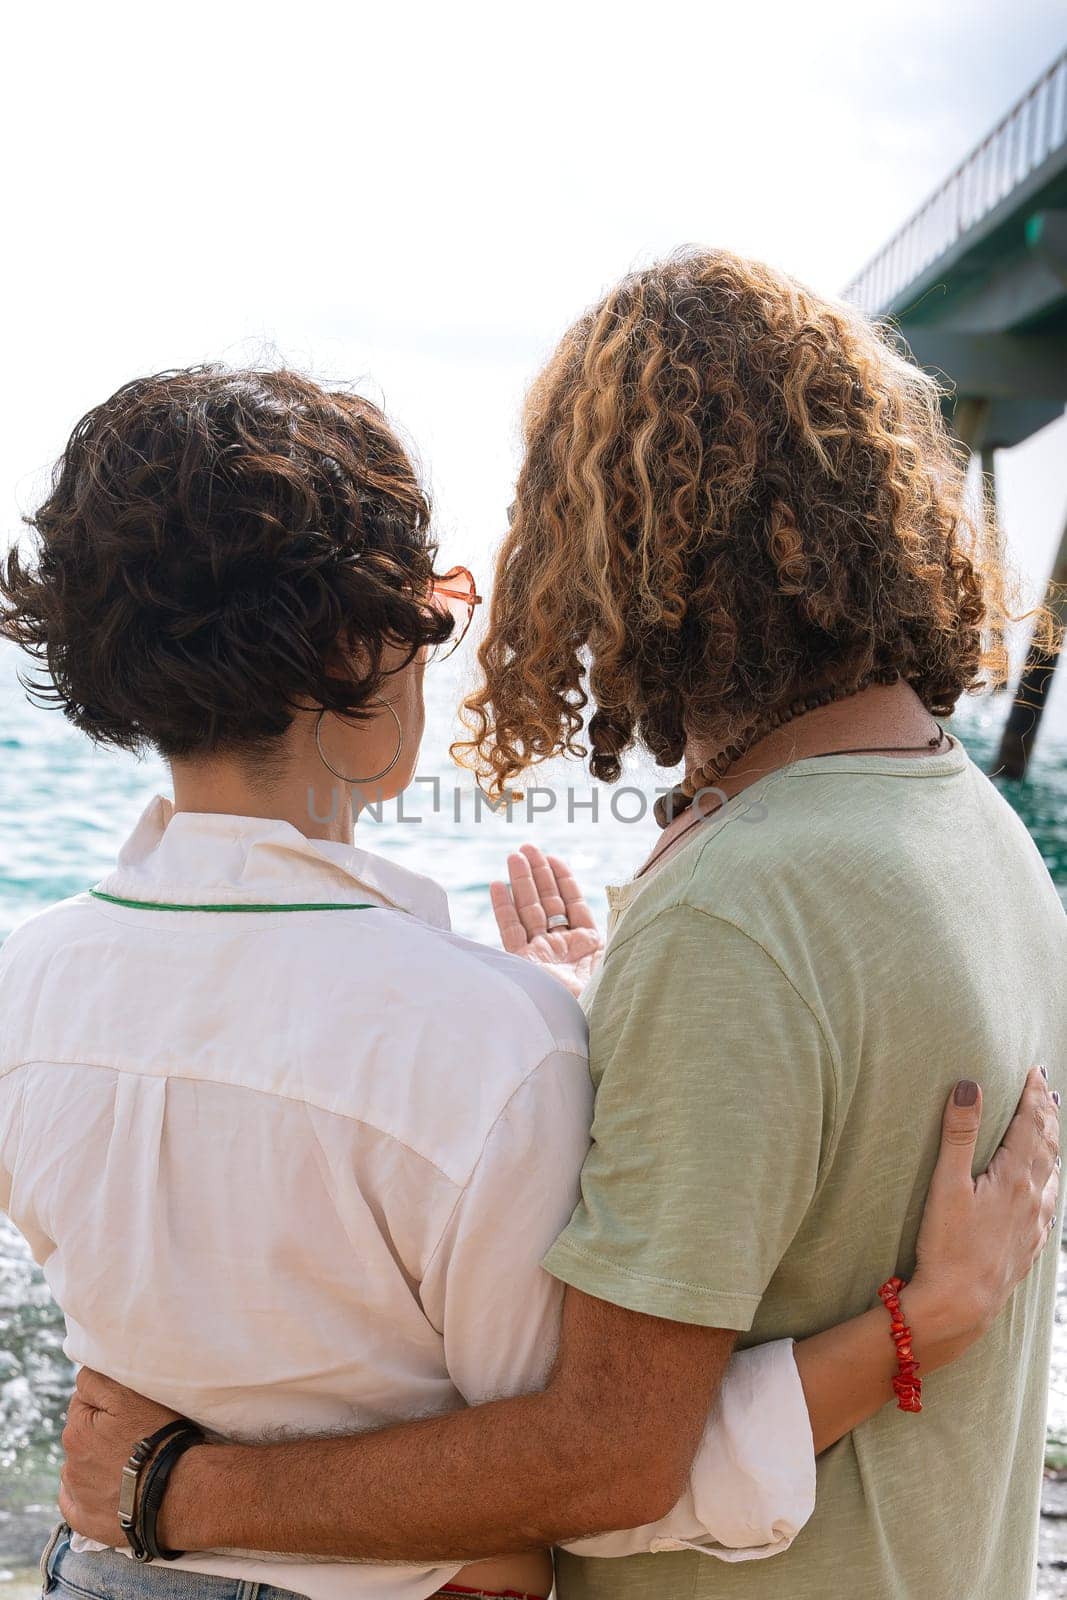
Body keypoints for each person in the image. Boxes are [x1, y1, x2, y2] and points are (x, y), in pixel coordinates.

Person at [11, 251, 1067, 1599]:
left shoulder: (26, 983)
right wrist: (591, 1031)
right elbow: (600, 1467)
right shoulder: (982, 841)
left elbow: (596, 1462)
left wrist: (173, 1489)